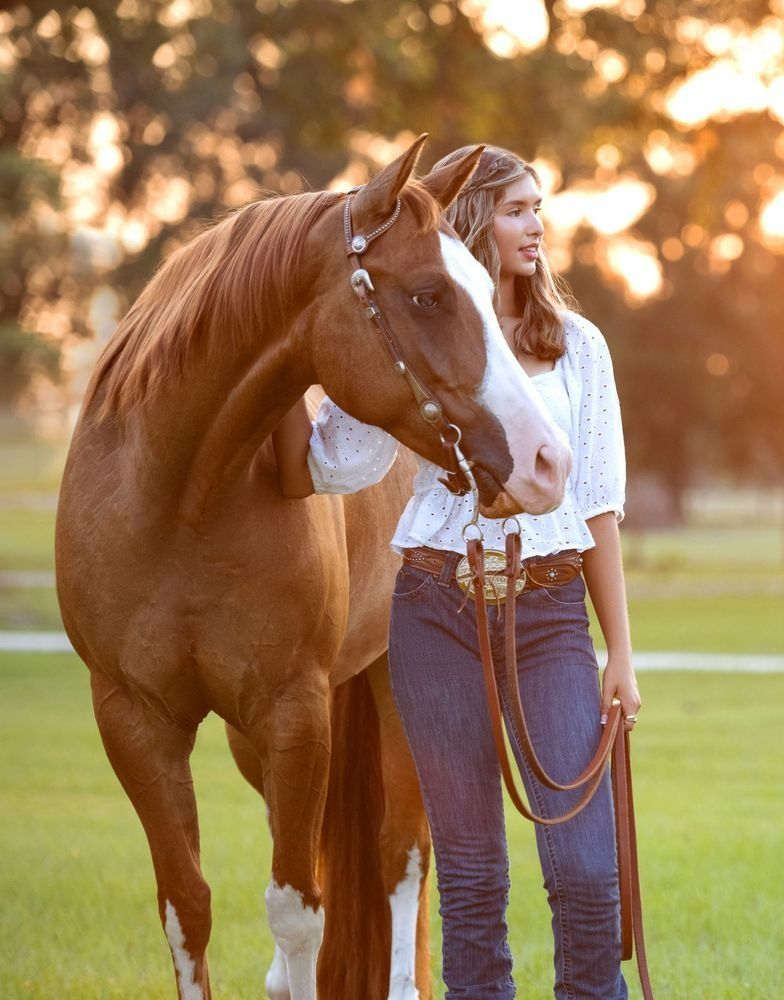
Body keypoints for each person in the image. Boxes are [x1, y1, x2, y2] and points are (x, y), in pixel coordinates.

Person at [274, 145, 640, 999]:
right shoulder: (416, 351)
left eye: (539, 208)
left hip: (547, 617)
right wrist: (284, 358)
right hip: (434, 609)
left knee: (585, 870)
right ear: (473, 219)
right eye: (516, 209)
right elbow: (324, 464)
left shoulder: (577, 348)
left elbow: (596, 507)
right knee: (472, 879)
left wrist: (619, 653)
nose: (536, 225)